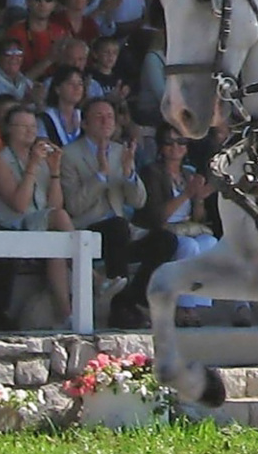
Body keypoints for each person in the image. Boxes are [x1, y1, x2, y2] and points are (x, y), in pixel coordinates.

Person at [61, 96, 175, 329]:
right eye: (99, 117)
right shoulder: (69, 155)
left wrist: (129, 174)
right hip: (89, 229)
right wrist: (100, 175)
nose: (106, 122)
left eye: (110, 117)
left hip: (121, 232)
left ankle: (131, 298)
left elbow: (139, 201)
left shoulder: (120, 151)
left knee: (166, 240)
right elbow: (73, 206)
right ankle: (121, 309)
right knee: (117, 227)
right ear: (84, 123)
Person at [0, 104, 73, 325]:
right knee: (61, 218)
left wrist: (54, 171)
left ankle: (66, 315)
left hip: (39, 226)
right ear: (9, 129)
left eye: (33, 126)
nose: (30, 131)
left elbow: (54, 205)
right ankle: (92, 275)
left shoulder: (42, 161)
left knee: (57, 245)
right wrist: (32, 166)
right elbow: (20, 205)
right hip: (11, 226)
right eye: (23, 126)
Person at [138, 123, 217, 327]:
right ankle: (184, 307)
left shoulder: (188, 173)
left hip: (187, 228)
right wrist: (186, 194)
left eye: (181, 141)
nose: (176, 147)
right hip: (162, 232)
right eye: (169, 142)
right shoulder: (152, 173)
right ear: (161, 147)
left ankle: (195, 305)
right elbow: (156, 216)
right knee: (189, 247)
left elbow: (198, 218)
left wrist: (199, 199)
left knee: (209, 243)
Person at [36, 64, 84, 147]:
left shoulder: (85, 116)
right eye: (71, 83)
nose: (77, 88)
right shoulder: (45, 119)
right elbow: (43, 147)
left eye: (80, 83)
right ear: (57, 89)